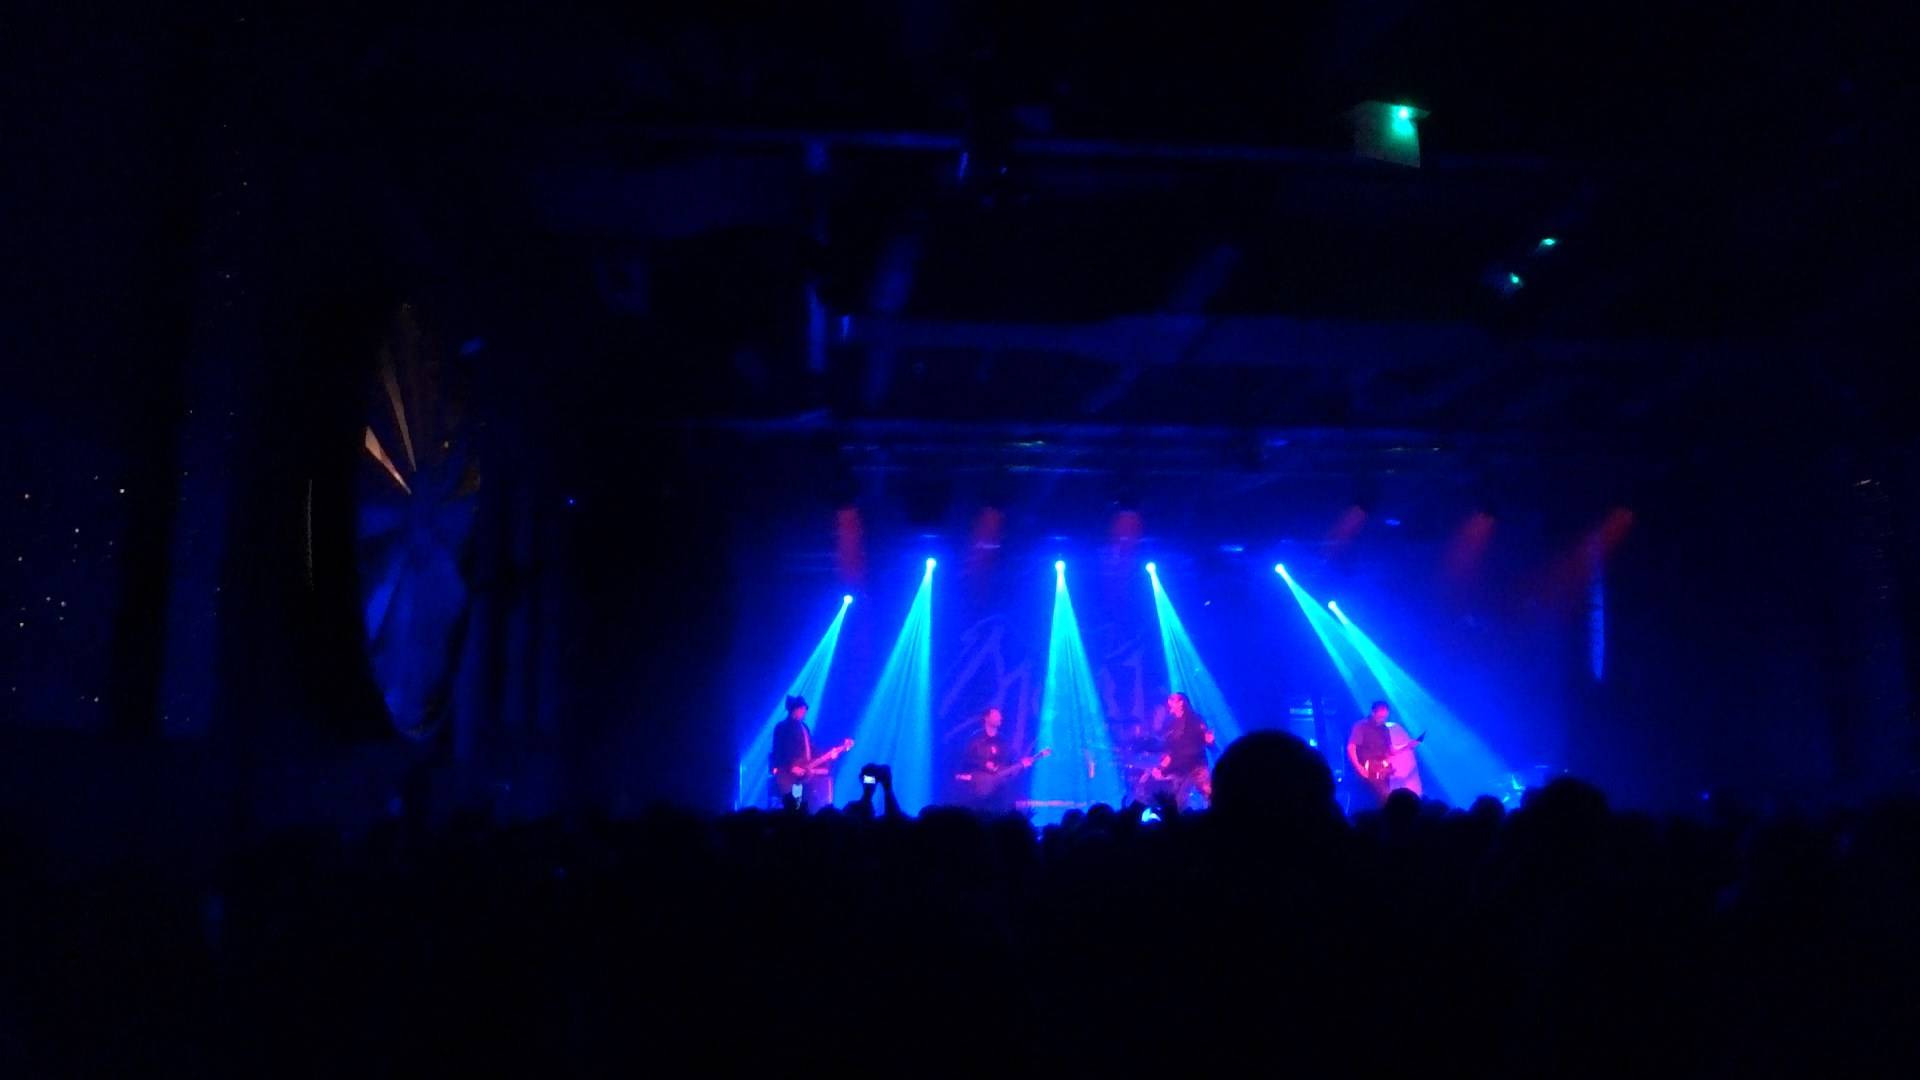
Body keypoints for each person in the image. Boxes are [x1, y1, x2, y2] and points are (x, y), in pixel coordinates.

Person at [769, 695, 852, 811]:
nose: (805, 712)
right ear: (795, 709)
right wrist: (790, 767)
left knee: (799, 804)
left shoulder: (804, 727)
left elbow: (811, 749)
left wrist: (831, 754)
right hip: (787, 774)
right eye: (803, 709)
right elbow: (778, 750)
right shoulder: (782, 727)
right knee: (792, 805)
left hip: (801, 775)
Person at [955, 707, 1035, 812]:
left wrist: (1021, 764)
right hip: (978, 788)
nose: (1000, 718)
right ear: (986, 718)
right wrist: (983, 764)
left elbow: (1009, 761)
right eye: (996, 715)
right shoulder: (975, 739)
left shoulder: (1003, 740)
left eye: (1000, 716)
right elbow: (966, 760)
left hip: (998, 789)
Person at [1345, 700, 1416, 809]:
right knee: (1376, 799)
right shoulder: (1361, 726)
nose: (1383, 719)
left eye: (1385, 717)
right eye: (1380, 717)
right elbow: (1351, 747)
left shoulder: (1385, 729)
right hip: (1367, 771)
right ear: (1373, 712)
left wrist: (1408, 746)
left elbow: (1391, 751)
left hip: (1382, 771)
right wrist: (1359, 767)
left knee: (1383, 801)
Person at [1149, 692, 1214, 808]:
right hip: (1178, 766)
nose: (1169, 701)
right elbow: (1167, 745)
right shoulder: (1170, 723)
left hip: (1196, 763)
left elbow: (1206, 739)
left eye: (1173, 699)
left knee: (1208, 793)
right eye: (1169, 699)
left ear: (1181, 703)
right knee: (1178, 800)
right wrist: (1162, 764)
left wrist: (1209, 741)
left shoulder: (1194, 719)